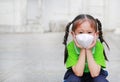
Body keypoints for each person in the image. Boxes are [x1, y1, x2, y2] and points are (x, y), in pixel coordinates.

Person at [63, 14, 109, 82]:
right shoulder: (71, 47)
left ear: (96, 34)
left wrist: (88, 49)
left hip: (94, 73)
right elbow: (78, 73)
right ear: (73, 34)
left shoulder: (98, 46)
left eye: (89, 32)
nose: (85, 36)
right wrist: (82, 49)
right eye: (81, 32)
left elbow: (95, 73)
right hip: (75, 73)